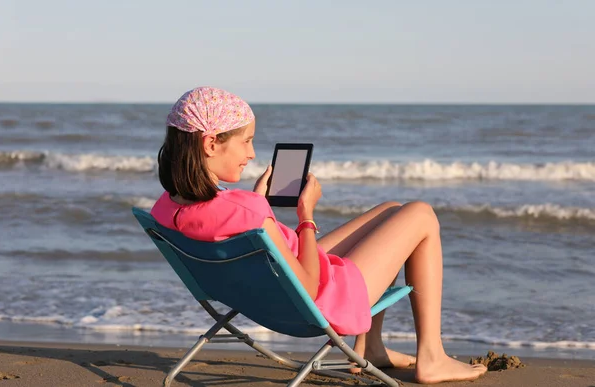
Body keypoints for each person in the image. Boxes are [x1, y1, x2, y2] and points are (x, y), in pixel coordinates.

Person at [150, 87, 487, 384]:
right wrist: (306, 215)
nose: (252, 153)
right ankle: (432, 356)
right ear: (211, 143)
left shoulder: (165, 209)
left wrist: (258, 203)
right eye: (247, 141)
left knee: (391, 210)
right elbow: (309, 288)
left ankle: (371, 345)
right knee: (420, 213)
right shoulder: (246, 210)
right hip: (322, 301)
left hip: (269, 294)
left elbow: (240, 231)